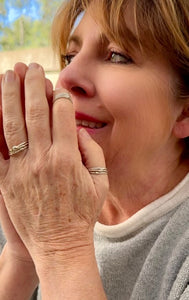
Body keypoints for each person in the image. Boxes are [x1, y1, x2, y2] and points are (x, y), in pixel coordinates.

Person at [0, 0, 188, 299]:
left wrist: (61, 246)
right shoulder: (34, 198)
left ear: (185, 112)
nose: (66, 78)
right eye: (70, 56)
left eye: (117, 56)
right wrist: (22, 257)